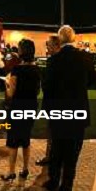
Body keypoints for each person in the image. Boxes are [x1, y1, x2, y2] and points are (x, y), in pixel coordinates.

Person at [42, 25, 95, 191]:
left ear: (60, 39)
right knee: (72, 155)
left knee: (57, 150)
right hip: (78, 113)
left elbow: (47, 88)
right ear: (73, 38)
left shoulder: (54, 60)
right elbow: (91, 82)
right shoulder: (86, 58)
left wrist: (48, 111)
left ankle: (53, 182)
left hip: (58, 113)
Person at [0, 39, 41, 181]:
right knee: (25, 138)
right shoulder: (36, 69)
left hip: (17, 106)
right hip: (31, 106)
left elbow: (11, 93)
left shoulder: (17, 69)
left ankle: (11, 171)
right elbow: (37, 91)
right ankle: (25, 169)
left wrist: (7, 83)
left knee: (13, 140)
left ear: (21, 52)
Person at [36, 35, 61, 167]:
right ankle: (52, 156)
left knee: (52, 131)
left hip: (54, 103)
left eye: (49, 44)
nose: (47, 47)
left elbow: (47, 85)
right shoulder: (61, 60)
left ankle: (50, 156)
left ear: (56, 45)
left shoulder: (53, 61)